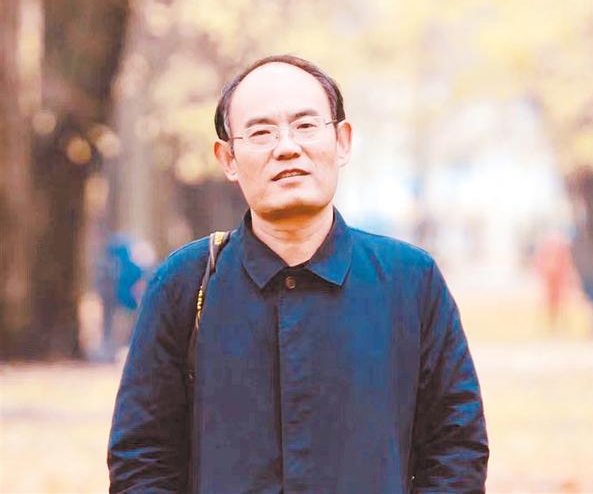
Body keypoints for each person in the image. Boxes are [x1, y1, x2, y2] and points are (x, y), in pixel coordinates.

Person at [108, 55, 489, 493]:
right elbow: (141, 458)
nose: (287, 147)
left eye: (306, 125)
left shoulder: (410, 281)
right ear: (228, 158)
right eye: (261, 132)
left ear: (342, 141)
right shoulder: (184, 283)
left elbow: (456, 449)